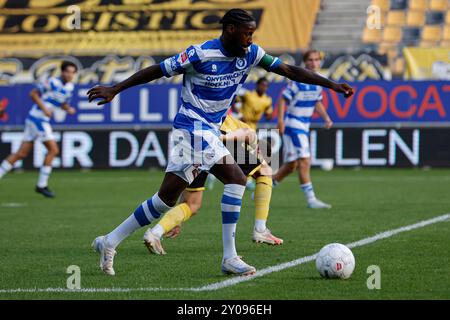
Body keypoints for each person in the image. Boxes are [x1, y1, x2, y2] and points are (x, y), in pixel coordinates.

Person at [87, 9, 353, 276]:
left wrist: (331, 85)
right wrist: (115, 89)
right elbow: (156, 70)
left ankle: (109, 241)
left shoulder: (251, 54)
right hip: (191, 127)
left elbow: (289, 70)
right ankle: (230, 257)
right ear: (230, 30)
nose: (251, 39)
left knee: (164, 200)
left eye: (253, 34)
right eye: (247, 33)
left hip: (208, 132)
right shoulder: (199, 54)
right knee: (236, 178)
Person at [143, 115, 283, 257]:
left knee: (192, 204)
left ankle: (155, 233)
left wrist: (176, 221)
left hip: (193, 138)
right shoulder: (239, 125)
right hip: (216, 139)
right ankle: (260, 229)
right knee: (264, 170)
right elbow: (247, 134)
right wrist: (224, 139)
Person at [0, 61, 77, 198]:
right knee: (53, 150)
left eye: (72, 72)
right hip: (38, 118)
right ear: (62, 72)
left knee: (21, 154)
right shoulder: (53, 82)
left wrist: (68, 109)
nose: (70, 75)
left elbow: (62, 103)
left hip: (37, 119)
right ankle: (41, 185)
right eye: (68, 71)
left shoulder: (70, 87)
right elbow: (33, 94)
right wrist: (44, 108)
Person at [273, 50, 333, 209]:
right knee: (305, 161)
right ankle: (311, 200)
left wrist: (326, 117)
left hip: (303, 125)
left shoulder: (319, 82)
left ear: (320, 62)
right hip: (294, 125)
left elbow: (317, 102)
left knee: (291, 165)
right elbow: (282, 100)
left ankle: (264, 188)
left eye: (316, 60)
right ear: (305, 62)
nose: (314, 63)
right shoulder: (297, 81)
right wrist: (280, 120)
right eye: (311, 60)